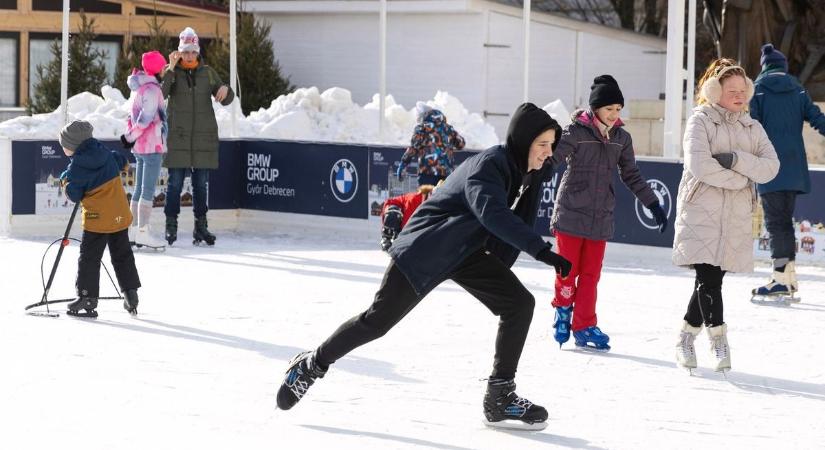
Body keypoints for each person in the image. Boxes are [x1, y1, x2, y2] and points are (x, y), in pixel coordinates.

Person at [276, 103, 572, 430]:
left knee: (519, 304)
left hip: (463, 251)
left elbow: (518, 212)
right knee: (377, 321)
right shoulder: (490, 167)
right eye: (542, 144)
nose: (548, 152)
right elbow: (493, 215)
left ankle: (500, 396)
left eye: (551, 145)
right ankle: (310, 365)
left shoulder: (522, 171)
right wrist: (542, 250)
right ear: (523, 140)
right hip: (426, 247)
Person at [672, 59, 779, 372]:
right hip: (701, 212)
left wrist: (735, 159)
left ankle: (684, 338)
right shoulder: (700, 121)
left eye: (743, 90)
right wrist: (742, 178)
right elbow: (700, 165)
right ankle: (719, 341)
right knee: (708, 278)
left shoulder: (752, 126)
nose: (738, 95)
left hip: (733, 216)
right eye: (731, 90)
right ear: (713, 91)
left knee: (711, 279)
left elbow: (771, 167)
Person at [549, 75, 668, 352]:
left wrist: (653, 204)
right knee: (568, 272)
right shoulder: (575, 132)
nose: (614, 115)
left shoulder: (621, 139)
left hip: (601, 217)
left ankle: (584, 324)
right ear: (595, 109)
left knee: (591, 275)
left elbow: (632, 175)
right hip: (570, 214)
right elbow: (551, 160)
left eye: (618, 109)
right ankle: (563, 310)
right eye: (609, 109)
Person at [749, 44, 825, 301]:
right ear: (783, 67)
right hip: (794, 169)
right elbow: (817, 118)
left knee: (775, 223)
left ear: (764, 67)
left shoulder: (757, 91)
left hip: (770, 168)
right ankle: (788, 276)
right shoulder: (798, 90)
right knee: (783, 222)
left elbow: (751, 128)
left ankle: (780, 278)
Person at [58, 120, 141, 318]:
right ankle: (131, 293)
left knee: (89, 258)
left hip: (97, 219)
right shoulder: (102, 151)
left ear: (74, 146)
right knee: (122, 255)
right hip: (119, 214)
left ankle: (87, 297)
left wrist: (64, 181)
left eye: (64, 145)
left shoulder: (78, 165)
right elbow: (120, 160)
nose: (63, 148)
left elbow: (74, 194)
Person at [161, 27, 234, 246]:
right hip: (179, 138)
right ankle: (171, 224)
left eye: (193, 51)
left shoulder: (208, 72)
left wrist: (225, 89)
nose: (189, 55)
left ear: (198, 51)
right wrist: (171, 69)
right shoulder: (170, 70)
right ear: (179, 51)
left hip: (203, 137)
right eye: (185, 51)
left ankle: (201, 227)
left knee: (200, 185)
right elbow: (161, 94)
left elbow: (226, 98)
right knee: (174, 184)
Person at [121, 50, 168, 250]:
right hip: (150, 146)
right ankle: (143, 232)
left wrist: (132, 138)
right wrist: (130, 137)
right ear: (158, 69)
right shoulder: (151, 90)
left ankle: (133, 230)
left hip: (142, 146)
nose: (166, 70)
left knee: (139, 189)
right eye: (164, 67)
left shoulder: (141, 88)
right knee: (147, 190)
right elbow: (145, 119)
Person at [397, 104, 465, 186]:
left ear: (423, 116)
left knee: (428, 198)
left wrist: (403, 164)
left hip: (427, 174)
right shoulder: (448, 128)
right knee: (444, 198)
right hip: (446, 175)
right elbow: (461, 144)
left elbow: (414, 148)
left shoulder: (422, 128)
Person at [379, 183, 437, 251]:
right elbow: (407, 222)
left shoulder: (431, 207)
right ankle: (386, 238)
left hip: (404, 224)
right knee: (393, 213)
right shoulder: (415, 199)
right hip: (395, 210)